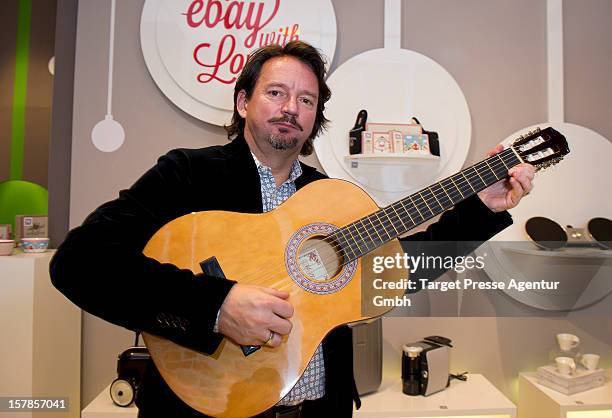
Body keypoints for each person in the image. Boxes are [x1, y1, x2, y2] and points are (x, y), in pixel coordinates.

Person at [50, 41, 535, 418]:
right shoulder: (186, 175)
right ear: (243, 102)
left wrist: (481, 210)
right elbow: (80, 263)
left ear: (315, 118)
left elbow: (397, 273)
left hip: (320, 411)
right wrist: (216, 306)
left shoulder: (331, 199)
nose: (291, 108)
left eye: (307, 99)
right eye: (276, 92)